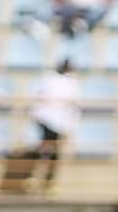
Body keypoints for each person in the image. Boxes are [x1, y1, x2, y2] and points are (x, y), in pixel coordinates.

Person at [31, 58, 81, 191]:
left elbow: (72, 106)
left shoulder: (71, 82)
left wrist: (70, 126)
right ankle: (36, 178)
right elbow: (40, 99)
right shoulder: (49, 79)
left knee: (54, 154)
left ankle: (48, 182)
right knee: (46, 150)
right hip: (47, 120)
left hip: (60, 123)